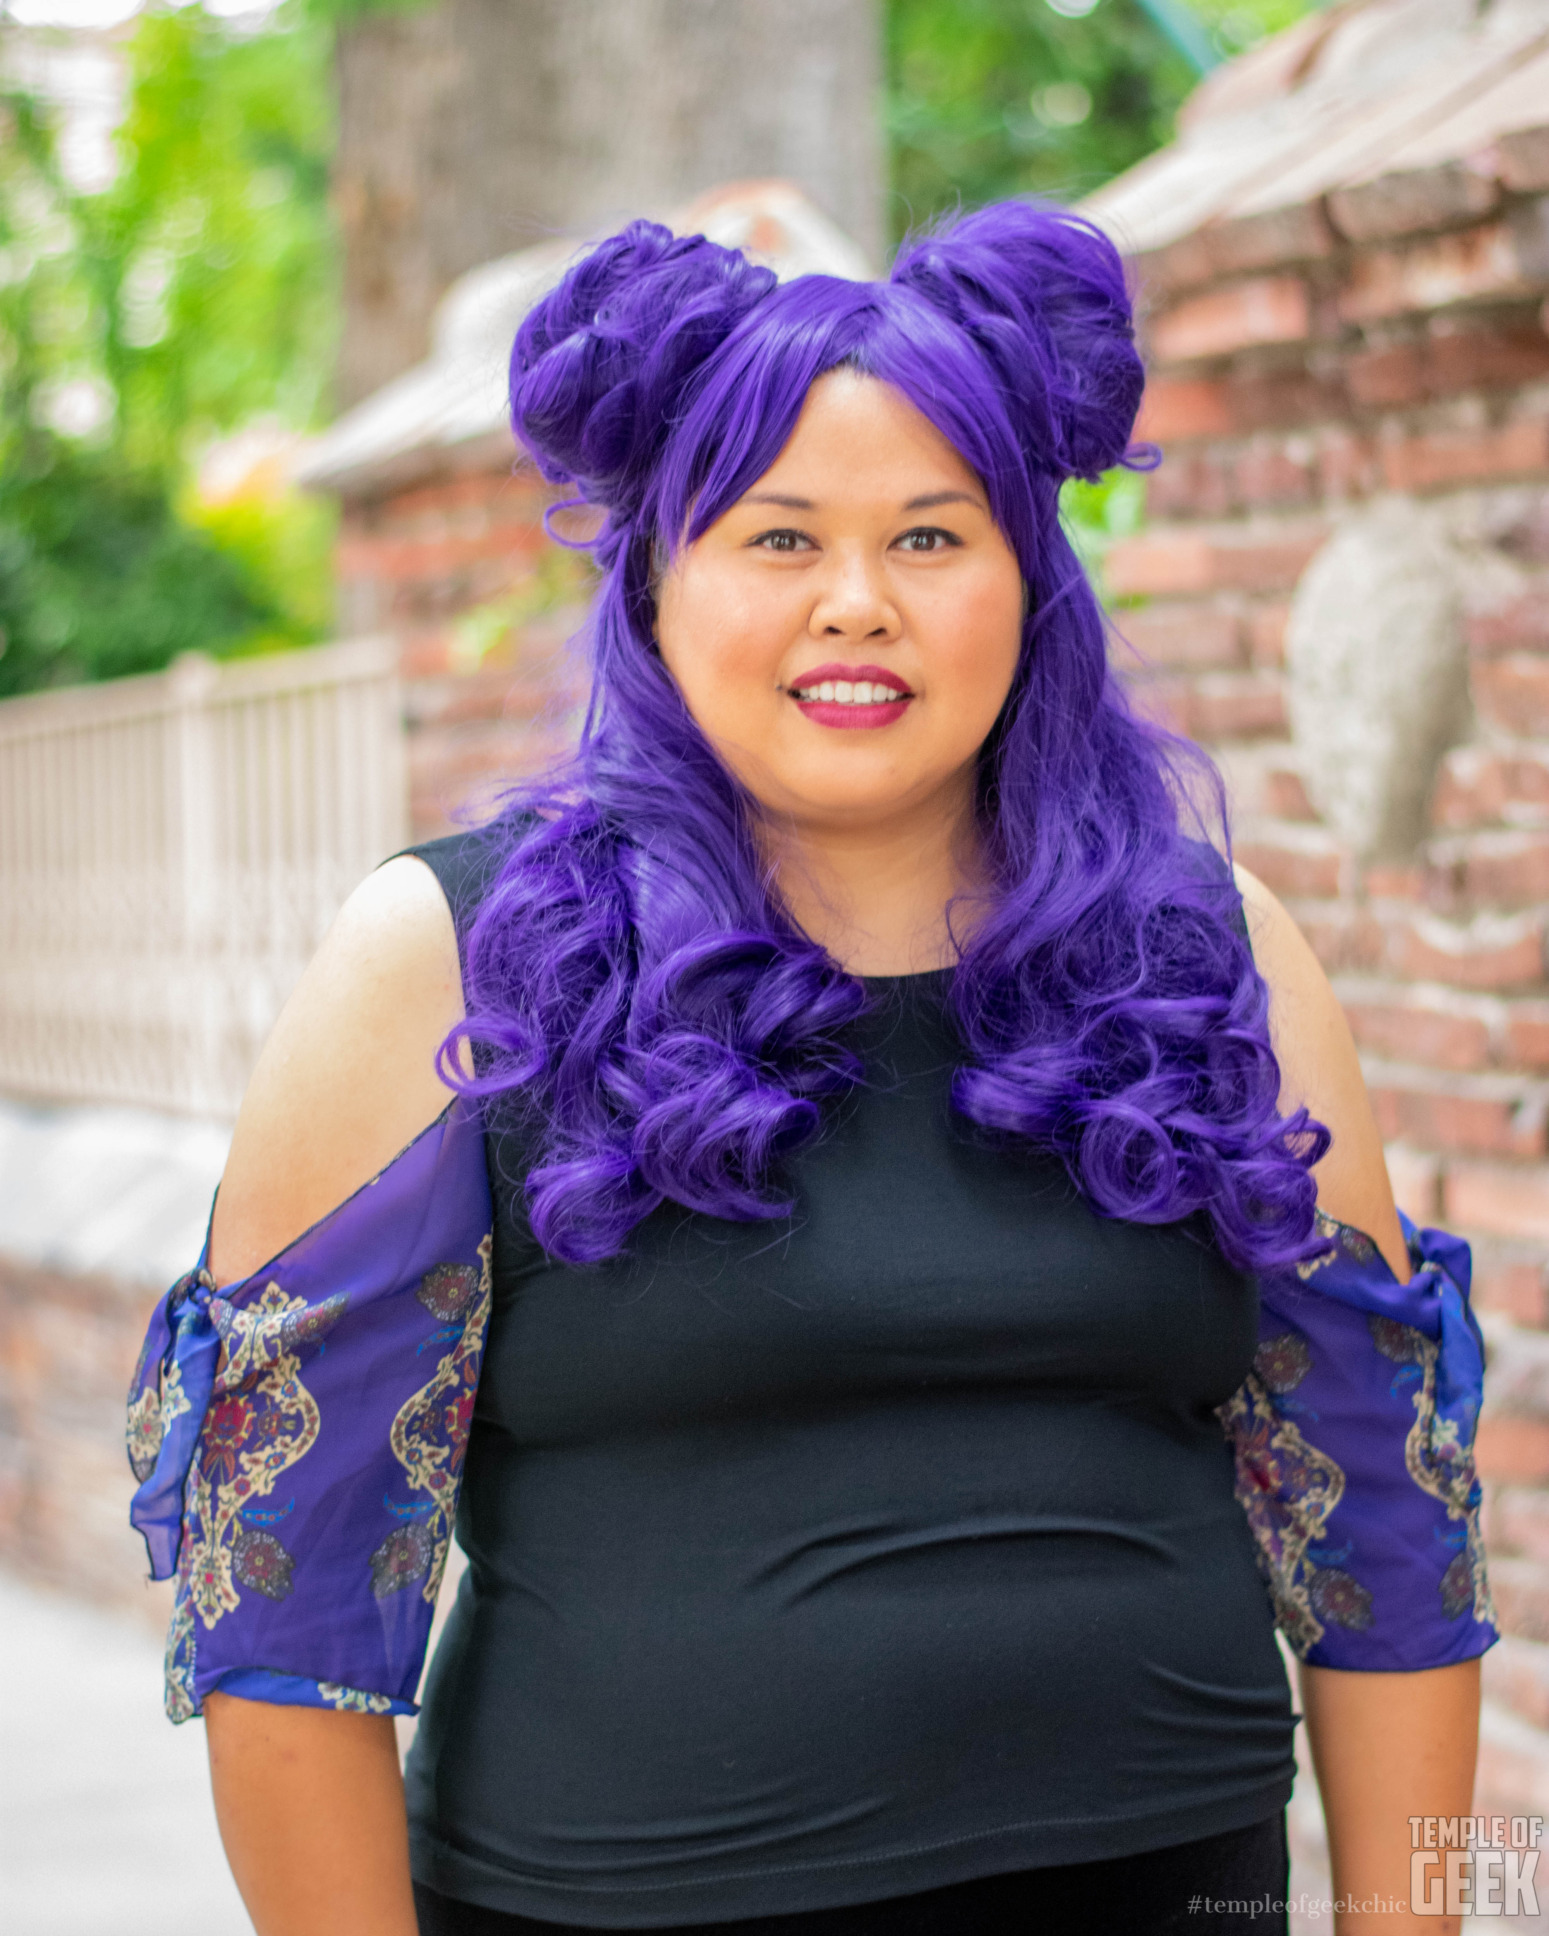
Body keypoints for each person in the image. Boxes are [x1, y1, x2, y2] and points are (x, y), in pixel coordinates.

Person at [127, 205, 1494, 1936]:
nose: (858, 604)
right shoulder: (450, 967)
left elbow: (1392, 1545)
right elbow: (290, 1628)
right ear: (657, 579)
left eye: (932, 536)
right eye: (779, 538)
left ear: (1027, 580)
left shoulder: (1216, 952)